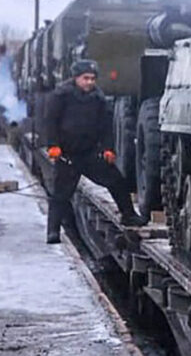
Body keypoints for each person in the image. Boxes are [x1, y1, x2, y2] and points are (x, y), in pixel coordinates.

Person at [44, 59, 146, 244]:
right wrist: (53, 145)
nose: (90, 82)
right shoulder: (60, 95)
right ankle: (53, 231)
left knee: (116, 181)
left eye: (92, 79)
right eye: (86, 78)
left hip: (89, 154)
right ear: (76, 78)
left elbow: (106, 127)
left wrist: (108, 149)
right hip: (67, 155)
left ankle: (129, 215)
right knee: (60, 194)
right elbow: (50, 121)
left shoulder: (98, 98)